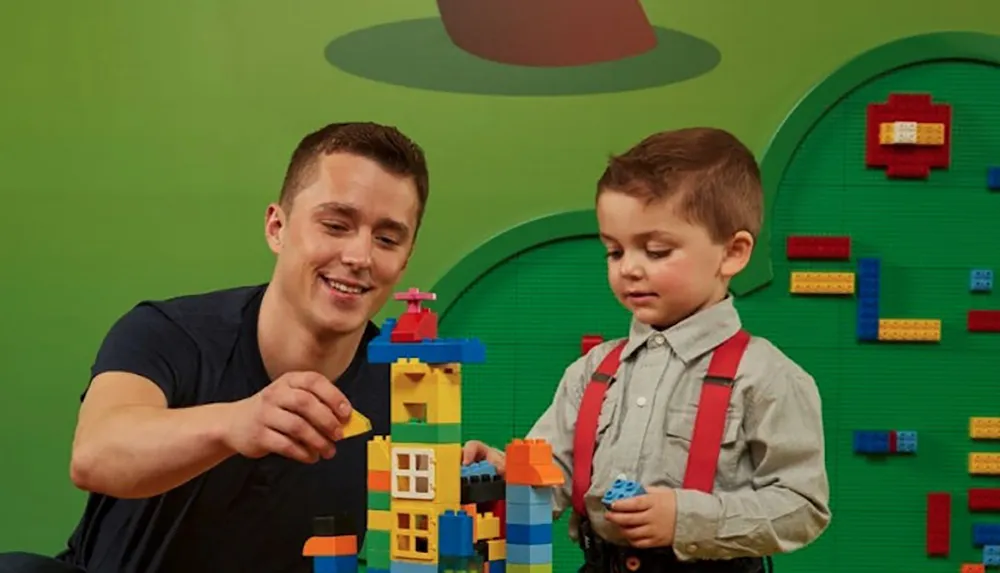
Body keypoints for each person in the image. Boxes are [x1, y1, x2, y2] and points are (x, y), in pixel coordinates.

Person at [0, 121, 431, 573]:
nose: (360, 256)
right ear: (277, 227)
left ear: (403, 260)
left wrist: (473, 484)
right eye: (336, 225)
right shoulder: (169, 333)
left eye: (386, 239)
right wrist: (239, 421)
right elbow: (96, 454)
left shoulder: (405, 385)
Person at [463, 127, 830, 572]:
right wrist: (505, 475)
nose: (629, 269)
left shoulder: (766, 377)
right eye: (614, 252)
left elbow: (802, 506)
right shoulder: (592, 371)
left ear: (732, 254)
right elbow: (551, 475)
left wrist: (689, 519)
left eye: (656, 251)